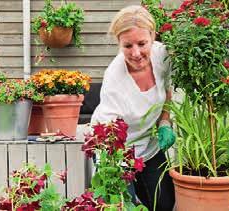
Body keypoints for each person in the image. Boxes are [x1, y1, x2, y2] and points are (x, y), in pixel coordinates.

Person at [91, 5, 176, 211]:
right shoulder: (115, 78)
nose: (136, 53)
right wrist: (118, 176)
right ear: (119, 43)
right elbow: (109, 134)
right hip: (115, 150)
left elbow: (167, 91)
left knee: (164, 204)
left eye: (142, 43)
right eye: (127, 46)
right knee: (122, 205)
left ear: (153, 36)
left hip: (149, 144)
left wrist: (164, 121)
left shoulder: (162, 56)